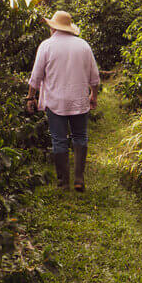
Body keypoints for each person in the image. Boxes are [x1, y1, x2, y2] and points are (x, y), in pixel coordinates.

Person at [27, 10, 101, 191]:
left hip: (55, 101)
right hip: (79, 100)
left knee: (59, 140)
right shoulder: (83, 46)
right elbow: (95, 77)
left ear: (53, 28)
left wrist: (31, 97)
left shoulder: (46, 46)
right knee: (80, 137)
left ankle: (62, 183)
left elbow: (36, 76)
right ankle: (79, 179)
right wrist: (93, 95)